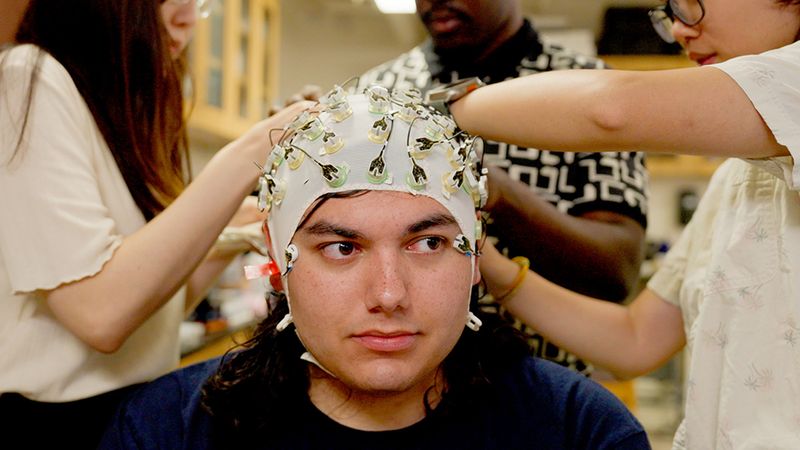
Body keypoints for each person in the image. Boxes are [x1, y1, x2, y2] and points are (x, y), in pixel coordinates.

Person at [98, 87, 651, 450]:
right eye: (342, 248)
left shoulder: (579, 431)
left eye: (428, 243)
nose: (388, 295)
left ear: (477, 254)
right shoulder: (166, 431)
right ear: (276, 259)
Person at [450, 0, 800, 447]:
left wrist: (423, 118)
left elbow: (609, 110)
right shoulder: (739, 176)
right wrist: (491, 265)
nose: (677, 30)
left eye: (691, 3)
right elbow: (635, 339)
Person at [0, 0, 305, 446]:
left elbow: (155, 308)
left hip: (129, 412)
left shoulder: (117, 119)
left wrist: (248, 220)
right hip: (51, 425)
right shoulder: (27, 75)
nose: (188, 18)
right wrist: (256, 147)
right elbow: (101, 315)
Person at [359, 0, 648, 376]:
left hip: (539, 384)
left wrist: (497, 192)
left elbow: (616, 273)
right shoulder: (376, 95)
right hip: (400, 389)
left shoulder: (587, 90)